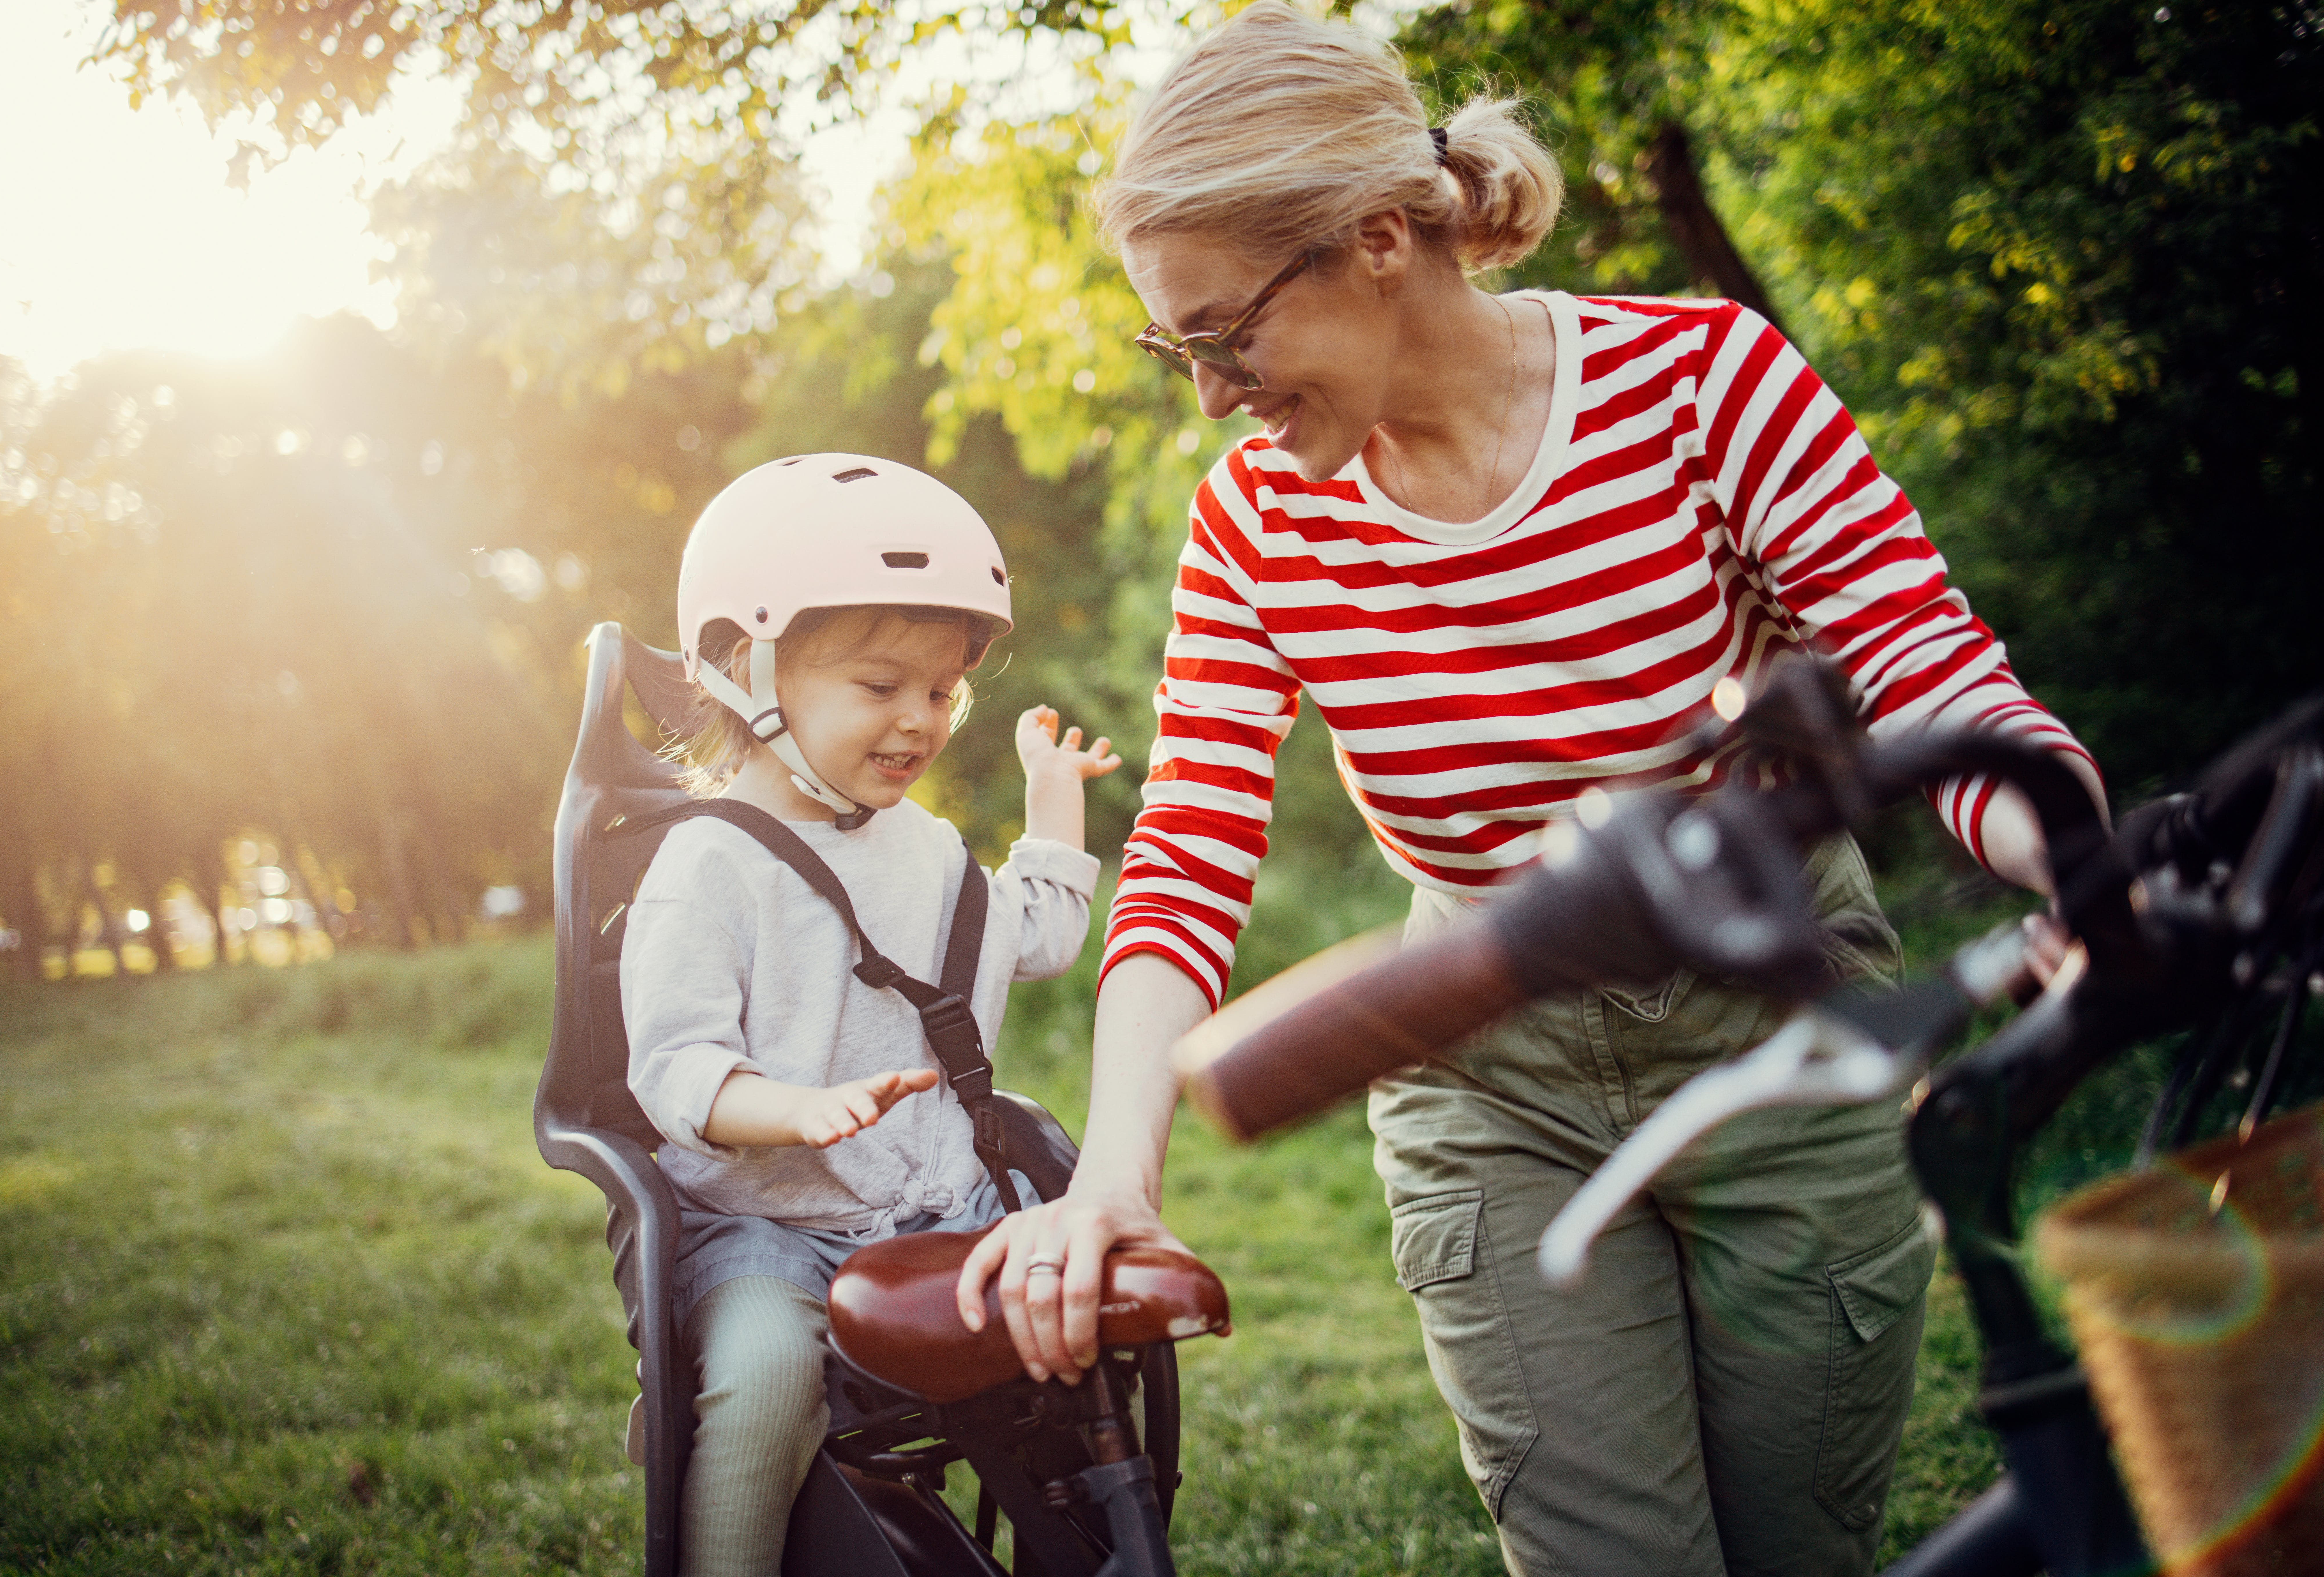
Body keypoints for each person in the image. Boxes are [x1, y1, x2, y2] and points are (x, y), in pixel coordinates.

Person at [953, 6, 2108, 1574]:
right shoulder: (1257, 529)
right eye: (1181, 349)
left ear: (1375, 237)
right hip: (1487, 1074)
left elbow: (1925, 669)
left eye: (1225, 334)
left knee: (1805, 1552)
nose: (1213, 393)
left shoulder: (1702, 381)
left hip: (1777, 1026)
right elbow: (1191, 844)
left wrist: (2080, 865)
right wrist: (1113, 1178)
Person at [620, 454, 1120, 1577]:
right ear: (748, 672)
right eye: (880, 685)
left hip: (928, 1205)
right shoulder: (708, 865)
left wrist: (1053, 797)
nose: (920, 721)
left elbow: (1032, 937)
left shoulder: (929, 849)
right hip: (765, 1223)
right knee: (765, 1378)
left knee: (1075, 1319)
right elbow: (674, 1068)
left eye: (941, 691)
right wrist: (793, 1109)